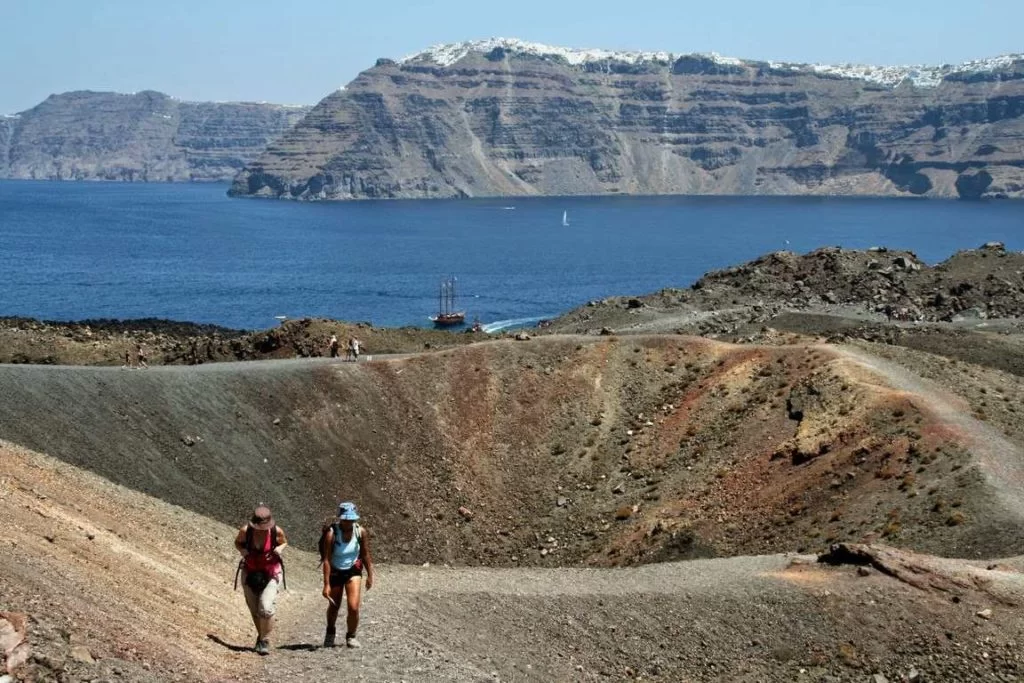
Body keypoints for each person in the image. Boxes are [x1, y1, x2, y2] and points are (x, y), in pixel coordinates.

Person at [234, 505, 288, 655]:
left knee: (265, 607)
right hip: (250, 571)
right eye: (259, 526)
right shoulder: (246, 531)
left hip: (271, 572)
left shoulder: (276, 532)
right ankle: (261, 636)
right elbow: (237, 542)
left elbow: (284, 542)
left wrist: (280, 549)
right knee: (254, 608)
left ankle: (265, 640)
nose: (261, 529)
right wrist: (243, 550)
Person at [321, 502, 374, 648]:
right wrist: (326, 585)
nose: (348, 522)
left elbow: (365, 554)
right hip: (336, 571)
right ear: (340, 518)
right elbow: (326, 560)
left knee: (354, 606)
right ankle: (330, 632)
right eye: (345, 519)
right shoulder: (332, 534)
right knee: (334, 606)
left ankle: (351, 636)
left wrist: (370, 575)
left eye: (351, 519)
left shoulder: (360, 532)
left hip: (353, 570)